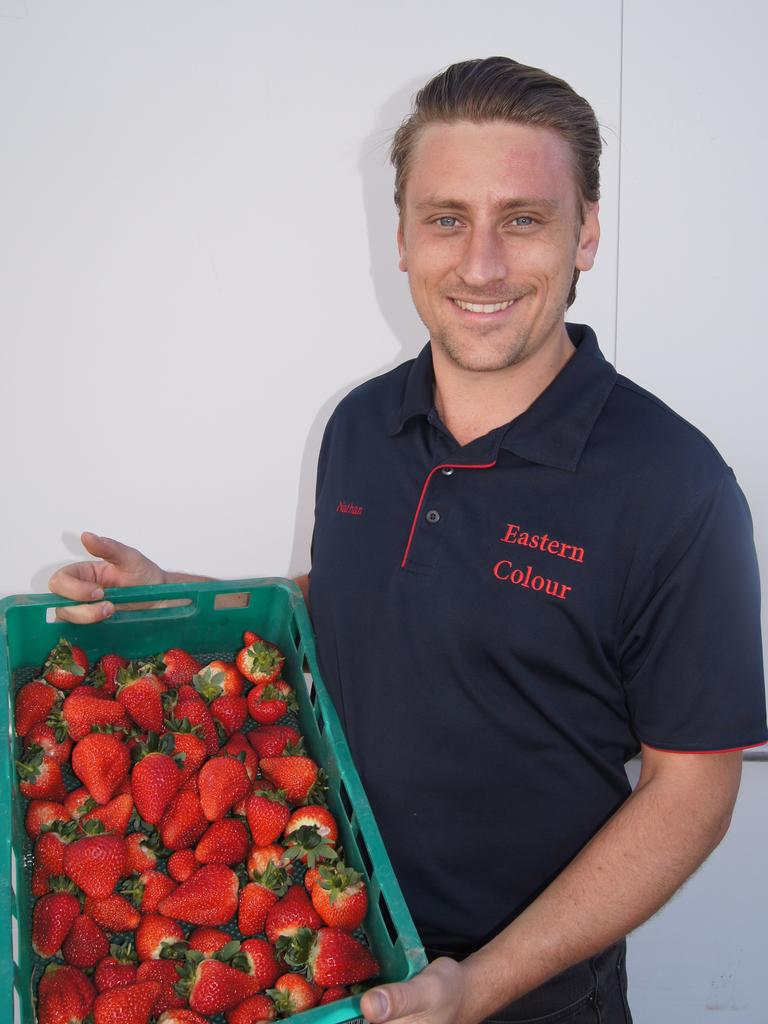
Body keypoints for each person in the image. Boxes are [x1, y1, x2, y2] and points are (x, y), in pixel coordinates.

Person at [48, 57, 766, 1024]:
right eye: (446, 219)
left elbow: (694, 791)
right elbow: (351, 593)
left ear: (586, 231)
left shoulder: (678, 489)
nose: (480, 265)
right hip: (318, 941)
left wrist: (480, 987)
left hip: (529, 994)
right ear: (400, 237)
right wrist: (179, 587)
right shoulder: (358, 424)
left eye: (523, 218)